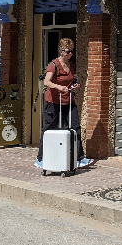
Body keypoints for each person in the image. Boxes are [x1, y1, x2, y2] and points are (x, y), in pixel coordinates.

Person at [35, 38, 94, 169]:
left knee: (75, 127)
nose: (70, 54)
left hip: (69, 100)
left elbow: (71, 81)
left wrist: (75, 86)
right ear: (61, 51)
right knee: (49, 129)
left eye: (72, 51)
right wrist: (58, 87)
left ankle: (79, 159)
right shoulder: (54, 65)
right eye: (68, 51)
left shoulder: (71, 65)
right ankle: (40, 159)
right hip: (54, 102)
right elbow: (47, 82)